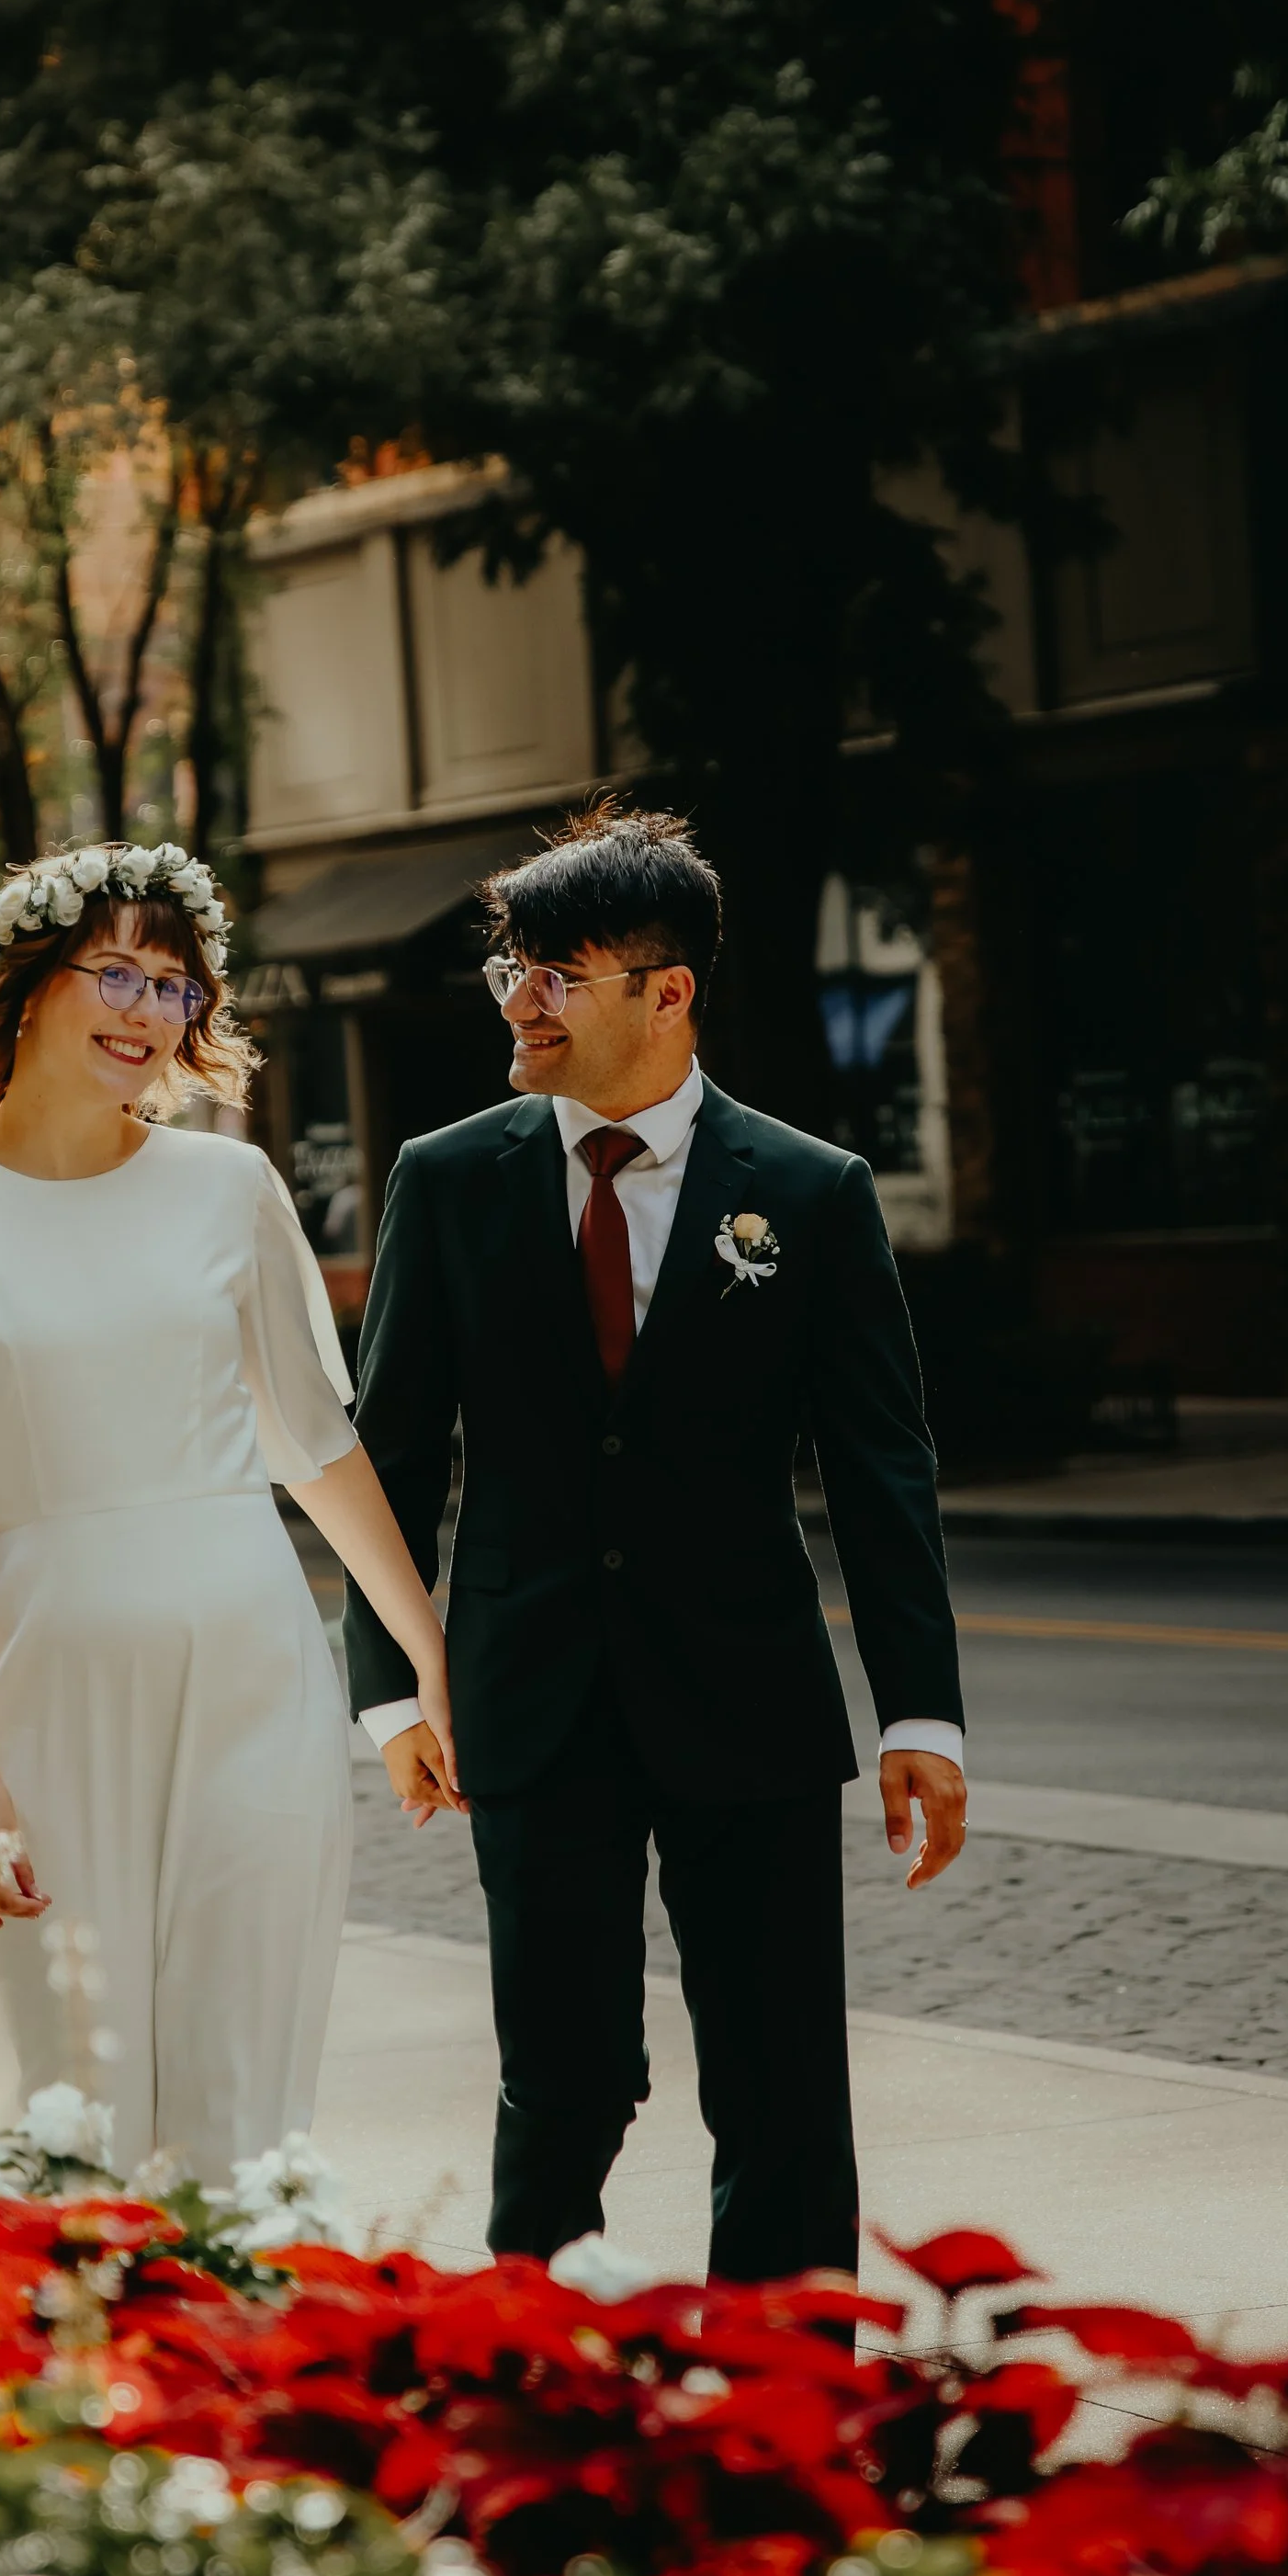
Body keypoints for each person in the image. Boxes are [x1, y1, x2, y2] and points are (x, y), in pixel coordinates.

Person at [345, 807, 966, 2283]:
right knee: (562, 2075)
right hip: (524, 1699)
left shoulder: (811, 1192)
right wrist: (390, 1686)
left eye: (559, 973)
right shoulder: (447, 1178)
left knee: (782, 2088)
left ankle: (788, 2413)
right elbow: (386, 1455)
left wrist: (919, 1711)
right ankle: (525, 2376)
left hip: (745, 1697)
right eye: (513, 969)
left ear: (666, 991)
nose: (522, 1000)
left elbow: (885, 1470)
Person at [0, 843, 458, 2184]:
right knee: (71, 2094)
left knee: (238, 2092)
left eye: (174, 985)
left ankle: (245, 2359)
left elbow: (317, 1448)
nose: (145, 1010)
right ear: (26, 987)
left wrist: (425, 1661)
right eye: (113, 970)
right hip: (52, 1696)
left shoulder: (230, 1189)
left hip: (253, 1679)